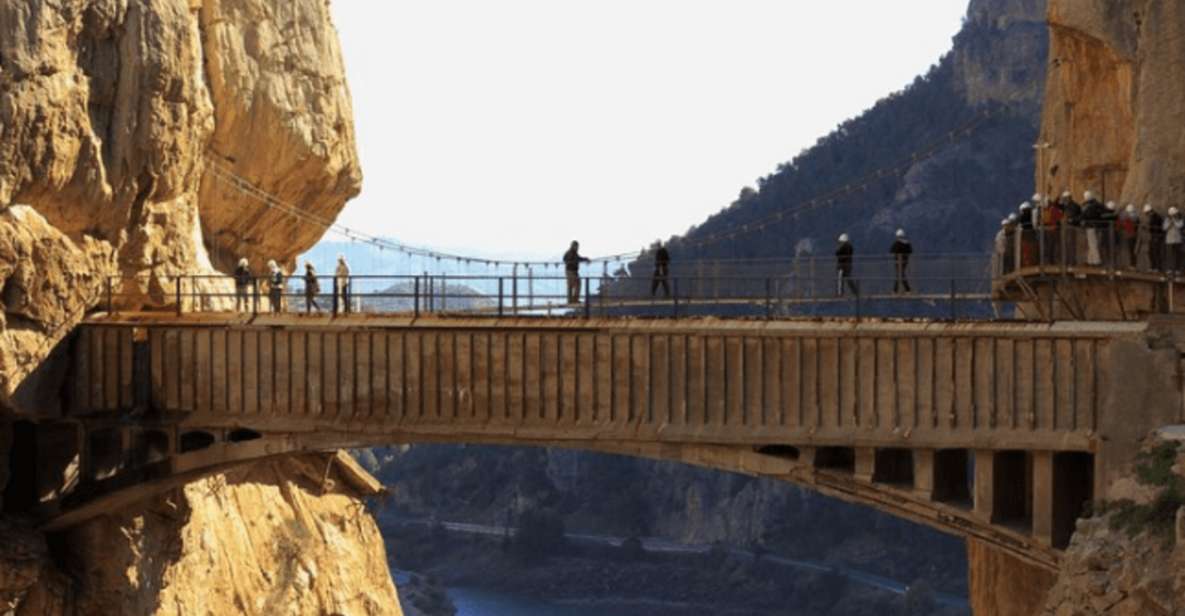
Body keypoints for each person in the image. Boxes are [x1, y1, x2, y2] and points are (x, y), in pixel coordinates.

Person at [1081, 191, 1105, 266]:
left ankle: (1097, 261)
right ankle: (1090, 260)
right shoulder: (1098, 204)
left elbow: (1084, 216)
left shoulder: (1088, 206)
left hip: (1090, 226)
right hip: (1097, 226)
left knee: (1092, 244)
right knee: (1092, 243)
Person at [1142, 204, 1165, 272]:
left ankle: (1157, 268)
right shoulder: (1154, 217)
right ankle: (1153, 267)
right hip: (1154, 236)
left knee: (1155, 252)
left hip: (1156, 237)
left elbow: (1154, 228)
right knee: (1151, 252)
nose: (1146, 215)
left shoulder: (1156, 217)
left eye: (1146, 213)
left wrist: (1147, 228)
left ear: (1149, 211)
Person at [890, 229, 913, 294]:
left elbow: (892, 250)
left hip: (898, 261)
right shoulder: (907, 243)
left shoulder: (897, 243)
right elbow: (910, 251)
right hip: (905, 261)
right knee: (900, 275)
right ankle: (899, 290)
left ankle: (904, 290)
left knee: (899, 275)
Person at [1118, 205, 1139, 269]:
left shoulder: (1129, 218)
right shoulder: (1136, 217)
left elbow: (1123, 225)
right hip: (1132, 236)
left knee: (1130, 250)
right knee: (1132, 250)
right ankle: (1132, 265)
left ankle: (1131, 265)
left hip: (1129, 236)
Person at [1165, 208, 1184, 275]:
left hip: (1177, 240)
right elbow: (1164, 228)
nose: (1173, 216)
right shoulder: (1167, 220)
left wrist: (1174, 221)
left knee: (1177, 256)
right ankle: (1169, 269)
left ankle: (1177, 269)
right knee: (1169, 255)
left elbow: (1180, 226)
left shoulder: (1180, 220)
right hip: (1169, 241)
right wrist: (1170, 222)